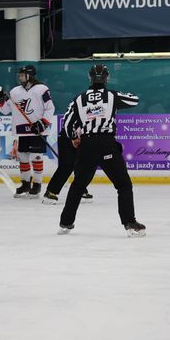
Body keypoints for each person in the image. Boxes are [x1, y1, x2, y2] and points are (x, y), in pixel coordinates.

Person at [58, 64, 146, 237]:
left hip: (87, 146)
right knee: (123, 185)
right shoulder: (112, 95)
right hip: (106, 143)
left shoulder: (78, 98)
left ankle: (66, 222)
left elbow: (67, 124)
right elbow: (134, 100)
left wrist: (74, 138)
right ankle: (129, 223)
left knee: (78, 185)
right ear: (107, 78)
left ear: (89, 78)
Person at [0, 64, 55, 199]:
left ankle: (37, 184)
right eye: (19, 75)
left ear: (30, 76)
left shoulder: (42, 89)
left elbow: (50, 108)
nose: (20, 78)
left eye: (22, 75)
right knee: (23, 158)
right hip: (22, 130)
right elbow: (6, 110)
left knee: (36, 157)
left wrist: (42, 123)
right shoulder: (15, 91)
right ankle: (25, 184)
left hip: (37, 129)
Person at [41, 125, 91, 205]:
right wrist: (74, 137)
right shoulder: (75, 113)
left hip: (83, 136)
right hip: (68, 136)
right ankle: (51, 192)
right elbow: (69, 123)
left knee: (82, 165)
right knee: (67, 165)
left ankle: (81, 190)